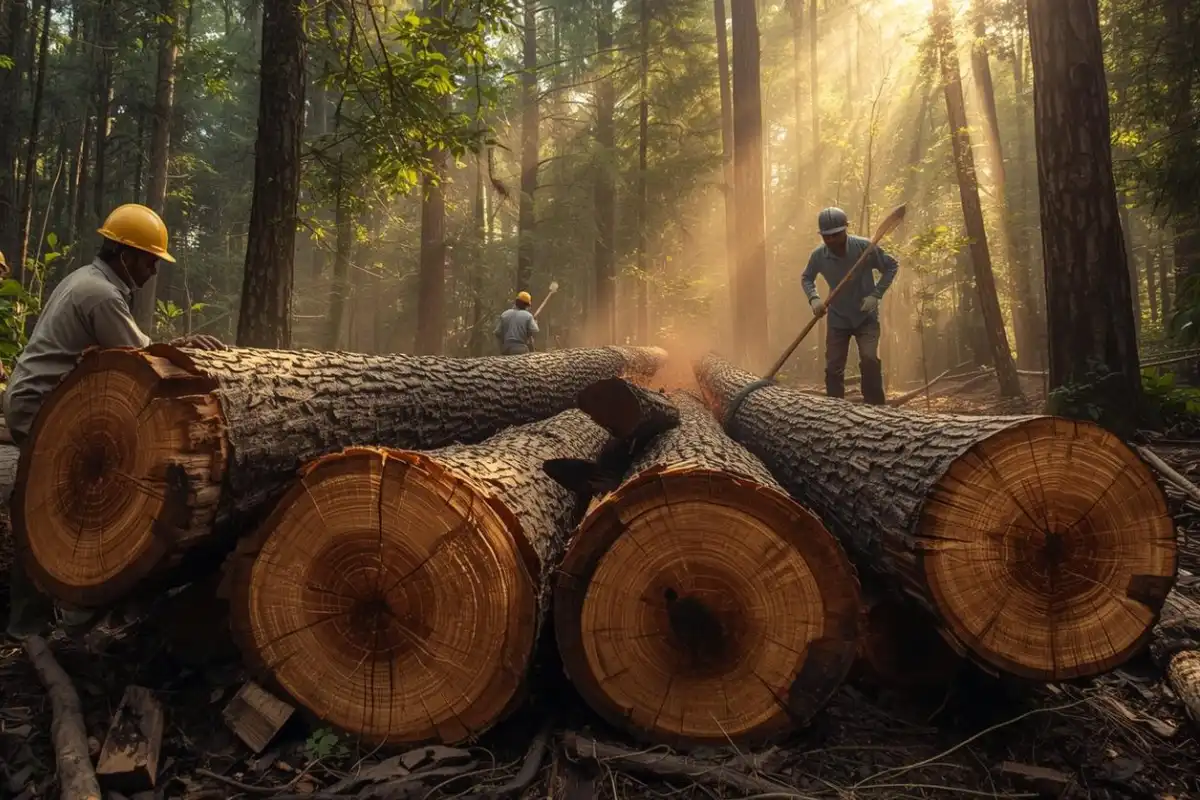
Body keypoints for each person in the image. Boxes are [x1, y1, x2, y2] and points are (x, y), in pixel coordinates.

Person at [3, 202, 224, 640]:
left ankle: (48, 612)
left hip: (39, 398)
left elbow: (128, 350)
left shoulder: (89, 282)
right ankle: (42, 618)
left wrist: (174, 343)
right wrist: (183, 352)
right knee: (59, 504)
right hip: (39, 405)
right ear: (124, 254)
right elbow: (140, 360)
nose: (152, 271)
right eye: (148, 260)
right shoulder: (100, 294)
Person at [801, 206, 899, 405]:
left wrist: (876, 294)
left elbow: (891, 266)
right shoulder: (819, 255)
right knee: (833, 366)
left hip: (866, 317)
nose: (831, 241)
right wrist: (814, 299)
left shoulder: (865, 248)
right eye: (826, 237)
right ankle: (835, 411)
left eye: (835, 235)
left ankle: (875, 409)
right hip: (838, 318)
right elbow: (807, 277)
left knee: (870, 359)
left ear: (845, 230)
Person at [494, 290, 539, 355]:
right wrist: (535, 323)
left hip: (506, 348)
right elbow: (533, 333)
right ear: (527, 305)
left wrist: (502, 348)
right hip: (521, 349)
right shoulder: (528, 316)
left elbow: (497, 333)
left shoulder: (505, 314)